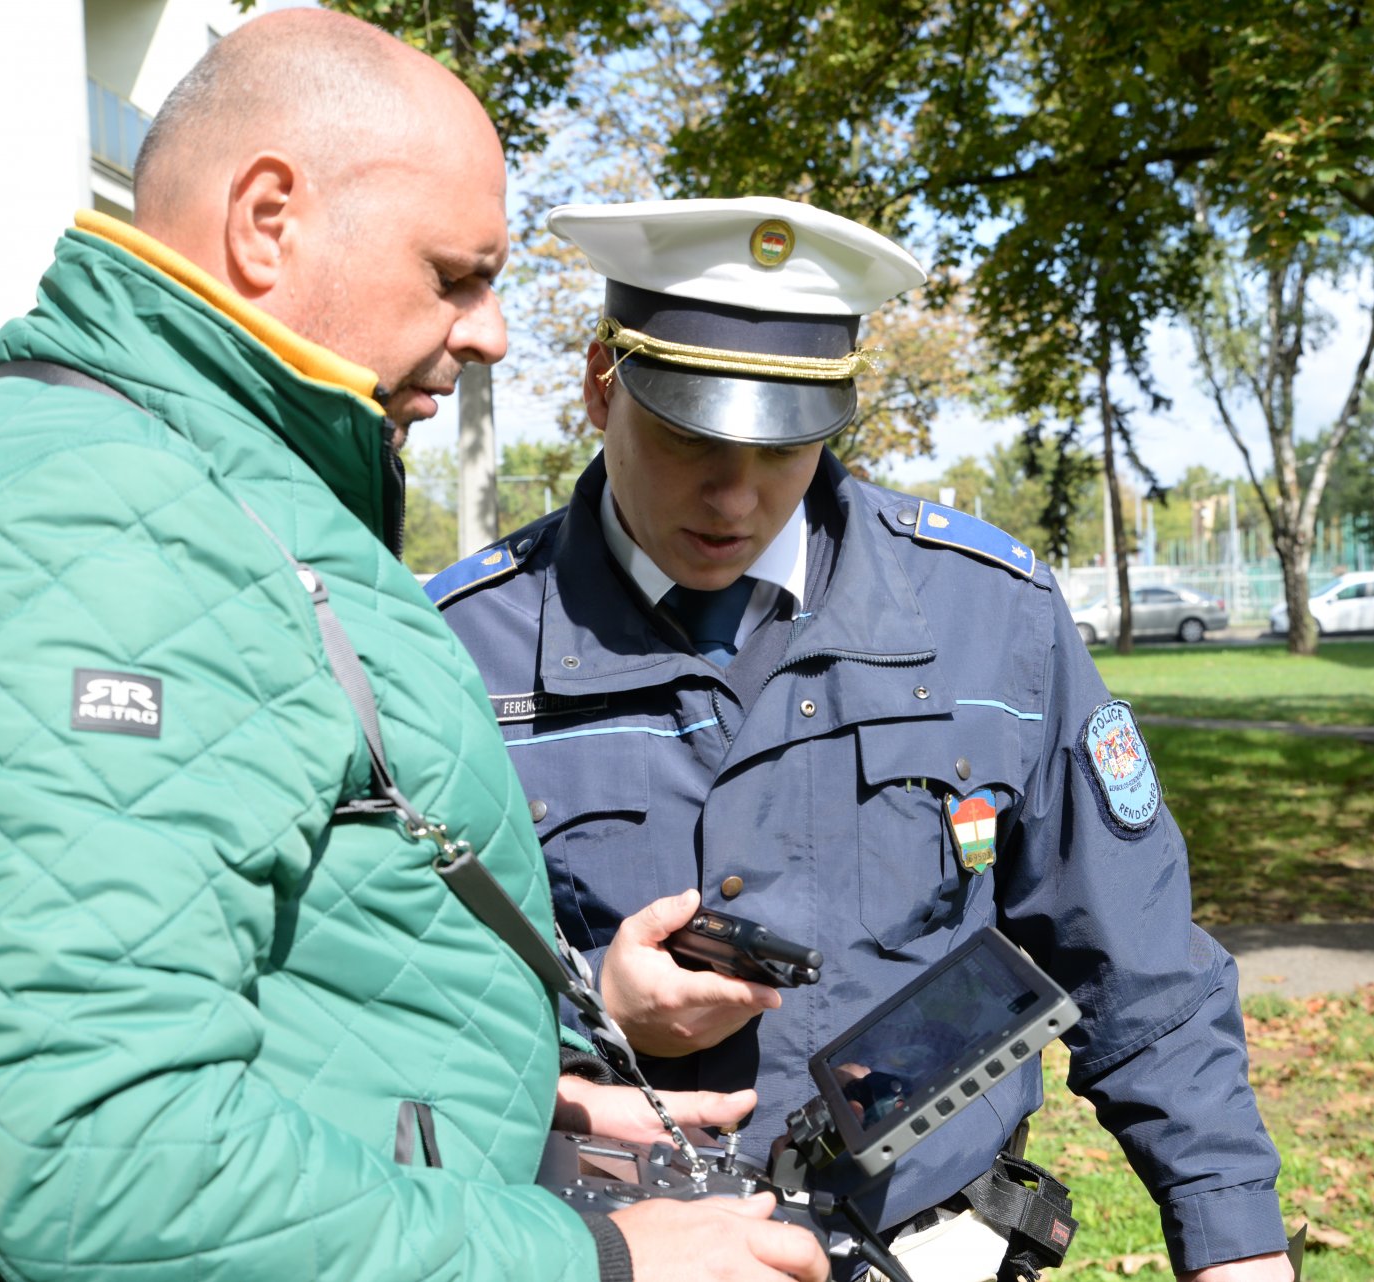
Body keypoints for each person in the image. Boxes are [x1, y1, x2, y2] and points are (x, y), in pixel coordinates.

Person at [0, 16, 827, 1282]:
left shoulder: (179, 482)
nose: (487, 333)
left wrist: (503, 1108)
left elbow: (284, 957)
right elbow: (108, 1165)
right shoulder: (115, 531)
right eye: (455, 274)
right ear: (269, 220)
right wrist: (593, 1261)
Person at [428, 197, 1294, 1281]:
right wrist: (586, 1005)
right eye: (693, 433)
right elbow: (377, 996)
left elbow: (1143, 963)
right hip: (613, 1251)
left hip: (930, 1249)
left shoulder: (993, 620)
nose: (736, 494)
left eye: (786, 443)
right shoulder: (457, 649)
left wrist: (1234, 1242)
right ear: (604, 385)